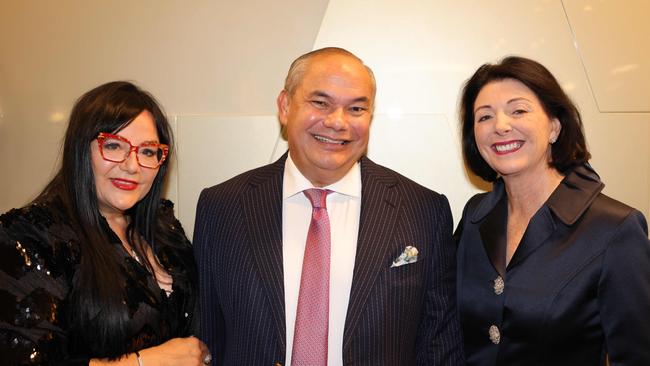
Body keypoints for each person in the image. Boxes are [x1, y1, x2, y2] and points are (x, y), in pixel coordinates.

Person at [193, 47, 463, 365]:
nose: (337, 122)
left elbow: (439, 347)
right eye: (321, 103)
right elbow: (204, 342)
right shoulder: (223, 208)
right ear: (284, 106)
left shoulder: (423, 210)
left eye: (357, 109)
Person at [455, 56, 650, 365]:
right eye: (484, 117)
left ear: (555, 128)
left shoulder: (615, 229)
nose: (500, 126)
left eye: (518, 110)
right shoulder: (475, 216)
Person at [0, 81, 211, 365]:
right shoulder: (31, 237)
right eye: (113, 145)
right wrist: (144, 362)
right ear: (80, 150)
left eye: (148, 151)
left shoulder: (164, 228)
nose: (132, 165)